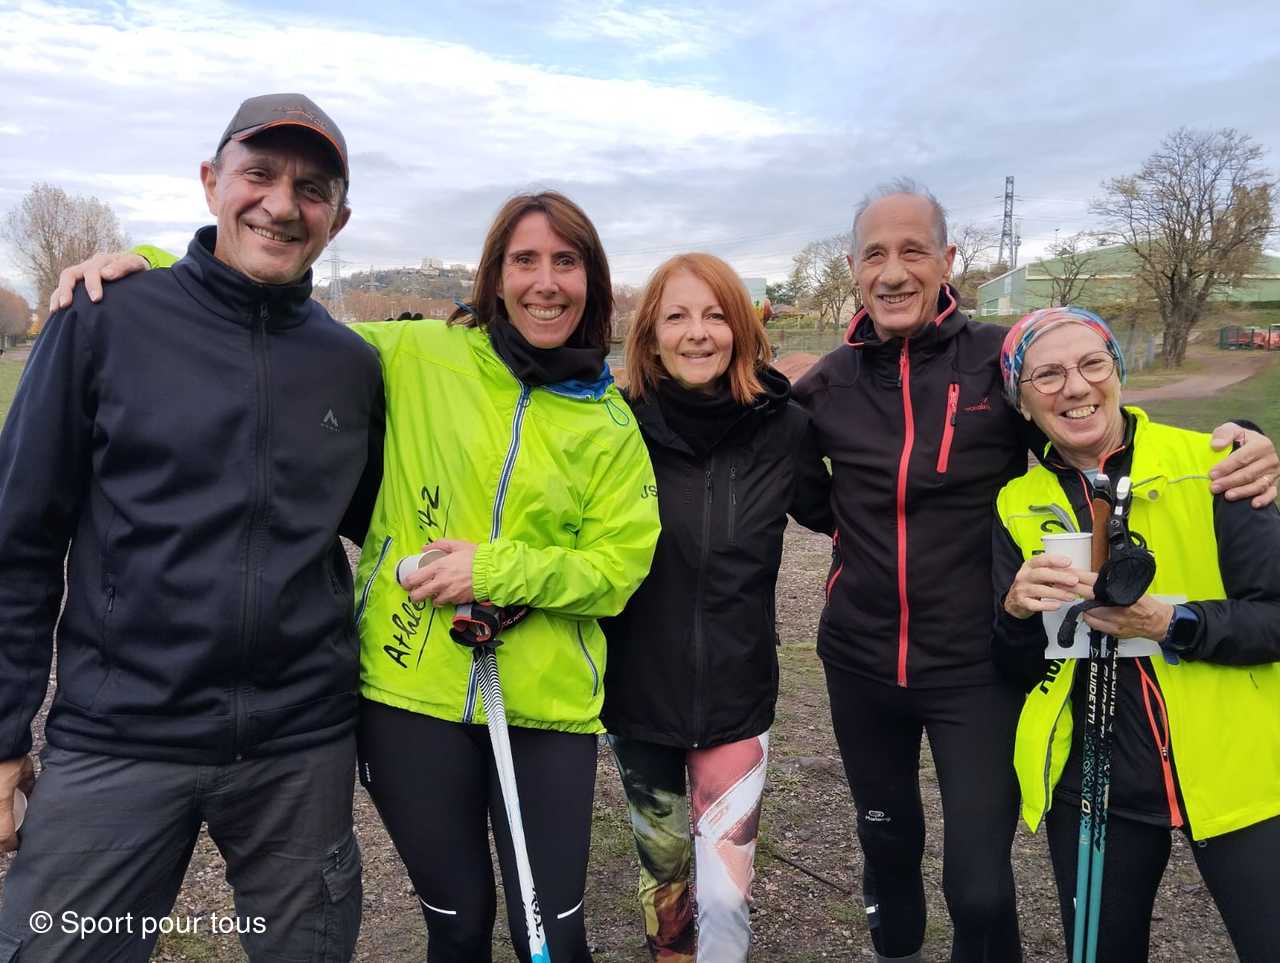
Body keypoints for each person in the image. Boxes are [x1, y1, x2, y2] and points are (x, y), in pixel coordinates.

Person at [791, 178, 1278, 963]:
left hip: (975, 663)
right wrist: (859, 531)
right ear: (852, 269)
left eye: (914, 250)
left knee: (981, 889)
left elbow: (1092, 421)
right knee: (887, 839)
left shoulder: (996, 358)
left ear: (948, 259)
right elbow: (794, 481)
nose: (894, 270)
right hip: (860, 655)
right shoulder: (827, 384)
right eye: (874, 254)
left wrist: (1243, 440)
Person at [0, 93, 383, 962]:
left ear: (338, 217)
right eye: (259, 174)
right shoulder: (102, 319)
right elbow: (19, 538)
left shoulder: (350, 364)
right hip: (120, 735)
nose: (281, 204)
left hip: (300, 746)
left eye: (312, 189)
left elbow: (386, 519)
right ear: (212, 182)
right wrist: (3, 733)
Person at [350, 192, 659, 963]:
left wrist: (492, 569)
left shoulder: (611, 424)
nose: (545, 281)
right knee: (457, 927)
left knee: (551, 935)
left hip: (546, 710)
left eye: (566, 261)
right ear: (494, 276)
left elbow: (616, 570)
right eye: (525, 260)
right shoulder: (422, 355)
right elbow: (273, 322)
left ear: (591, 281)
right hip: (408, 695)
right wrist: (147, 264)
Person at [992, 306, 1280, 962]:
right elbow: (1013, 666)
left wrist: (1174, 623)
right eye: (1047, 375)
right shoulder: (1015, 503)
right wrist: (1014, 612)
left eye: (1092, 363)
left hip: (1242, 770)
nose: (1076, 386)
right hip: (1096, 786)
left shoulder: (1214, 465)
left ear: (1118, 372)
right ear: (1022, 402)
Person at [601, 253, 831, 962]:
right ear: (650, 334)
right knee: (666, 882)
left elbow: (849, 514)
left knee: (726, 896)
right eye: (676, 316)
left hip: (737, 695)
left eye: (714, 314)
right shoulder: (612, 425)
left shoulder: (785, 429)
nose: (697, 332)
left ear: (741, 328)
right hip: (636, 696)